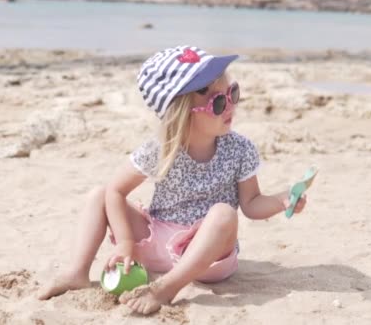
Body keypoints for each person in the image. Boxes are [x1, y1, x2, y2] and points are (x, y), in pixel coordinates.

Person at [38, 45, 308, 315]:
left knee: (224, 213)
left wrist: (281, 200)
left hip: (207, 255)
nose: (230, 107)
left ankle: (167, 288)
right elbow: (115, 191)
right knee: (99, 194)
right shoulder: (161, 149)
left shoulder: (240, 149)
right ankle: (77, 271)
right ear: (183, 113)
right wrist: (125, 243)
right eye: (218, 103)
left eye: (232, 93)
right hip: (155, 243)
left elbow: (251, 204)